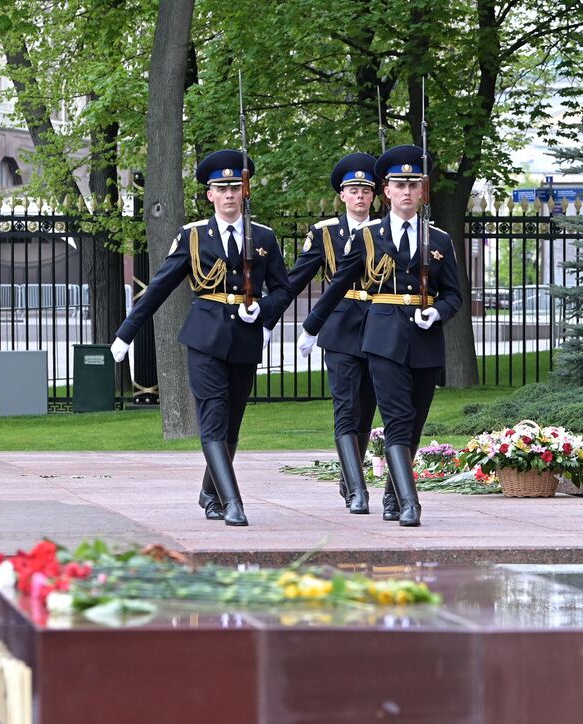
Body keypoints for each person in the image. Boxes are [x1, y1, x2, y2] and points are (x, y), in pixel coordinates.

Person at [110, 150, 291, 527]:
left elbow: (283, 289)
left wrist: (262, 310)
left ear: (245, 191)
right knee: (212, 419)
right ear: (209, 194)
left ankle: (209, 493)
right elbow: (159, 287)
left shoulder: (265, 238)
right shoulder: (193, 237)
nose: (228, 194)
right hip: (205, 338)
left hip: (244, 337)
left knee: (232, 425)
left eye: (234, 187)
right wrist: (126, 332)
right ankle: (233, 502)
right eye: (220, 188)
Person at [299, 145, 462, 527]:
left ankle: (391, 494)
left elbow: (454, 293)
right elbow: (339, 284)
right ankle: (410, 503)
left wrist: (437, 311)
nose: (406, 192)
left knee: (415, 421)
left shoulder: (438, 240)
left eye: (413, 185)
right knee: (397, 419)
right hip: (383, 336)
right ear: (386, 191)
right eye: (398, 185)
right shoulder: (369, 236)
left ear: (422, 192)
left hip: (425, 341)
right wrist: (311, 327)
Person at [288, 152, 378, 516]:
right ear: (342, 195)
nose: (359, 196)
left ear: (374, 196)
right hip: (339, 326)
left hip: (378, 324)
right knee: (346, 408)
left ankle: (349, 471)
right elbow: (296, 279)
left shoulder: (385, 230)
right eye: (352, 190)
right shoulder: (325, 233)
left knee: (367, 411)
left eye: (365, 190)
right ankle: (358, 489)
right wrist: (266, 314)